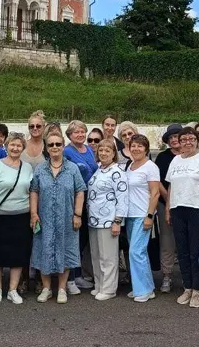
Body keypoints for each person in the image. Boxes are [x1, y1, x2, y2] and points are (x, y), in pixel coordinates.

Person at [29, 132, 87, 303]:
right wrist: (34, 213)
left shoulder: (72, 168)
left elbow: (80, 191)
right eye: (51, 145)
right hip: (44, 218)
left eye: (58, 144)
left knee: (65, 249)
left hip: (67, 217)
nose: (54, 147)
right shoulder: (40, 168)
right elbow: (34, 191)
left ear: (63, 146)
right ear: (47, 148)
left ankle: (62, 288)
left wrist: (77, 214)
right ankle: (46, 288)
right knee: (43, 249)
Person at [165, 126, 199, 308]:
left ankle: (197, 290)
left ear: (197, 140)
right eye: (184, 140)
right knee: (183, 251)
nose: (187, 142)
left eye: (191, 139)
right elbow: (171, 186)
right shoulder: (175, 161)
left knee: (197, 251)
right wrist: (168, 210)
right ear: (178, 143)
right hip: (178, 210)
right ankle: (187, 287)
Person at [0, 133, 34, 304]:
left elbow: (31, 191)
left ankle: (12, 289)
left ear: (23, 148)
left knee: (18, 254)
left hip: (21, 217)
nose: (15, 148)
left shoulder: (27, 168)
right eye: (12, 145)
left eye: (19, 145)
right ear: (6, 146)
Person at [85, 139, 128, 301]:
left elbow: (123, 198)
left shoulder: (117, 172)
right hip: (94, 220)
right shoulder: (99, 169)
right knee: (96, 255)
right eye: (101, 150)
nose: (103, 153)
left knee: (108, 257)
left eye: (107, 151)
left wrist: (117, 221)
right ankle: (100, 285)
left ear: (113, 154)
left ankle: (109, 288)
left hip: (108, 221)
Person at [123, 134, 161, 302]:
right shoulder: (130, 165)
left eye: (140, 146)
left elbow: (155, 192)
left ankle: (144, 289)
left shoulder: (150, 167)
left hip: (143, 214)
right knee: (139, 252)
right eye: (133, 146)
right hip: (130, 215)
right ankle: (145, 287)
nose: (136, 149)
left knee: (135, 252)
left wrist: (150, 216)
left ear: (146, 149)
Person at [63, 120, 96, 292]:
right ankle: (71, 278)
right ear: (69, 135)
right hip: (74, 200)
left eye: (83, 131)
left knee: (82, 240)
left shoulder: (89, 150)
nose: (80, 134)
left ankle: (79, 275)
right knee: (74, 239)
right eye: (76, 132)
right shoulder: (67, 151)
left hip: (91, 200)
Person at [153, 123, 182, 293]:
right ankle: (167, 275)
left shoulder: (192, 156)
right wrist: (168, 199)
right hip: (165, 203)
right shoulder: (163, 157)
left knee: (186, 242)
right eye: (171, 138)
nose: (174, 140)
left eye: (177, 137)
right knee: (167, 241)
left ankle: (188, 276)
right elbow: (158, 180)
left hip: (187, 205)